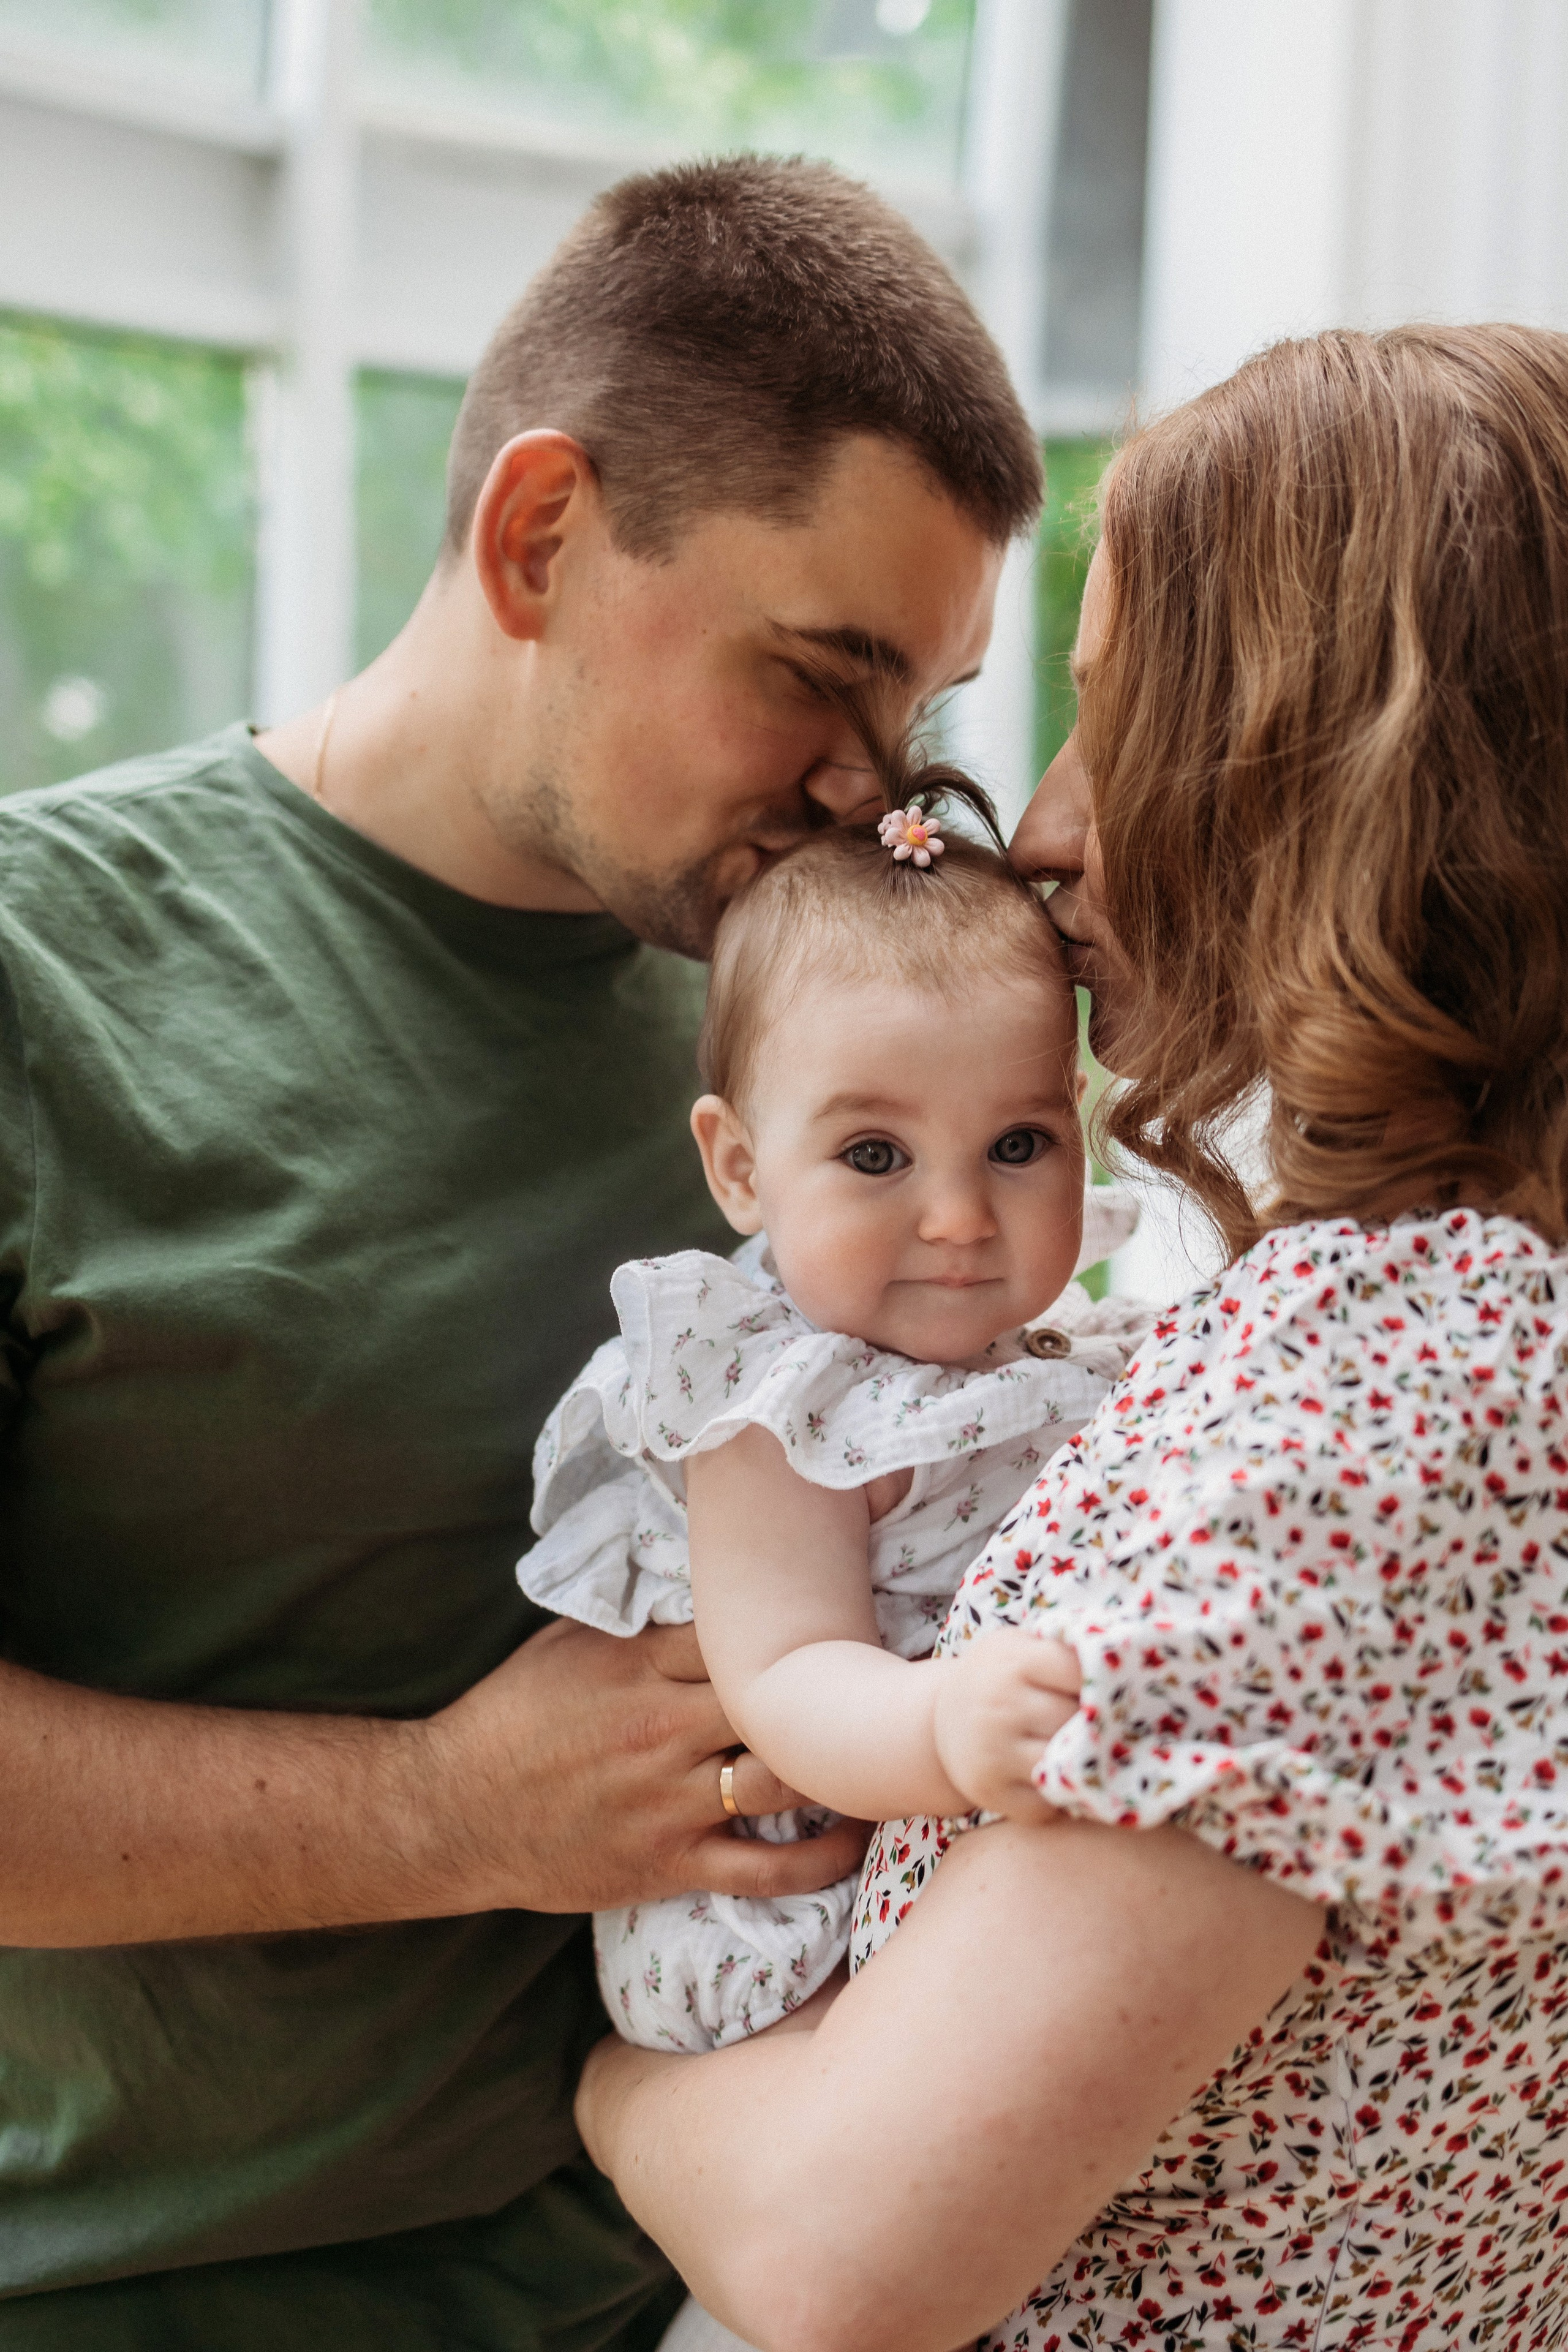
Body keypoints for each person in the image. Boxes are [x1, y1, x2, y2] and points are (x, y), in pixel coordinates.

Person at [0, 157, 1044, 2344]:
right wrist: (441, 1812)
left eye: (920, 719)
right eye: (816, 679)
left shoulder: (844, 1051)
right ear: (542, 534)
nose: (873, 803)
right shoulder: (43, 972)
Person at [574, 322, 1568, 2352]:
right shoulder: (1487, 1335)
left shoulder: (1366, 1396)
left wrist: (609, 2087)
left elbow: (848, 2263)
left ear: (1343, 769)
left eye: (1119, 719)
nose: (1037, 826)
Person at [519, 731, 1147, 2054]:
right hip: (790, 1911)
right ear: (739, 1168)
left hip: (958, 1842)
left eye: (1018, 1144)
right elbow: (786, 1676)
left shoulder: (1059, 1354)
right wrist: (941, 1724)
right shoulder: (776, 1408)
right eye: (875, 1153)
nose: (960, 1216)